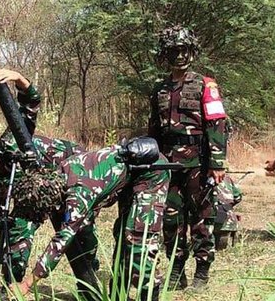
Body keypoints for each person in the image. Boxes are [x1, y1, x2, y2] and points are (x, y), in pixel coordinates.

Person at [0, 69, 99, 301]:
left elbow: (30, 104)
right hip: (36, 189)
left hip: (71, 173)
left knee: (80, 236)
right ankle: (11, 287)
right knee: (16, 234)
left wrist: (19, 79)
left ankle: (89, 285)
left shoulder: (11, 144)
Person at [13, 137, 171, 301]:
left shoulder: (79, 193)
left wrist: (26, 285)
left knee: (138, 241)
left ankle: (150, 296)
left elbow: (62, 241)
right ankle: (117, 296)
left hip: (152, 173)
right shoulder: (59, 173)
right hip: (131, 173)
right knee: (122, 236)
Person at [148, 25, 228, 289]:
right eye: (173, 51)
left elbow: (217, 125)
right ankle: (176, 272)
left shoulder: (206, 85)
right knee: (170, 220)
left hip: (198, 163)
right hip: (168, 164)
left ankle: (202, 272)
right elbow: (154, 130)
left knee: (201, 218)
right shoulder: (159, 89)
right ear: (165, 55)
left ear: (191, 52)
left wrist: (216, 163)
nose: (179, 56)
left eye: (183, 50)